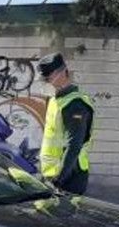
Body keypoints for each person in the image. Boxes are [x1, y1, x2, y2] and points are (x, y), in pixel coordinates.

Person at [36, 52, 95, 195]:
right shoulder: (57, 100)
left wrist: (58, 181)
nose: (47, 83)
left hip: (69, 177)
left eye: (48, 79)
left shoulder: (75, 104)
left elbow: (74, 145)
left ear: (61, 73)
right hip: (53, 174)